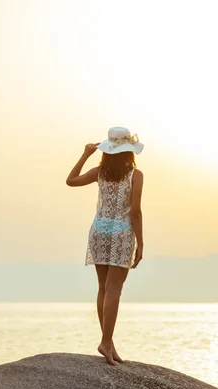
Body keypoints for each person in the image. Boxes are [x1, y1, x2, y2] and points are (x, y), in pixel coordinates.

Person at [66, 127, 144, 365]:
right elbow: (135, 212)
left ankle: (107, 342)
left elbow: (71, 181)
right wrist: (141, 243)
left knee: (103, 288)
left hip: (99, 232)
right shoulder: (136, 175)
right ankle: (106, 341)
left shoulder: (100, 172)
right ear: (129, 151)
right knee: (114, 290)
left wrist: (85, 154)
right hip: (121, 233)